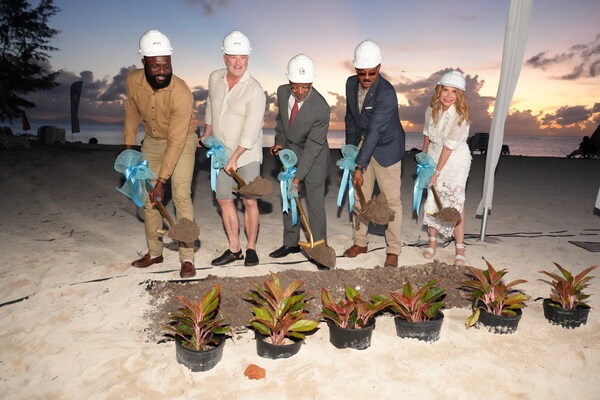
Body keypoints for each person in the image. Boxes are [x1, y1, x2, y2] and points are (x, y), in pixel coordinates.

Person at [122, 30, 198, 278]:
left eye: (167, 65)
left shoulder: (181, 92)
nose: (162, 71)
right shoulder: (132, 80)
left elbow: (176, 141)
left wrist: (161, 181)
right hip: (153, 140)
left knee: (180, 194)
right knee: (149, 199)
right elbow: (131, 112)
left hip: (183, 140)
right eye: (156, 66)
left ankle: (187, 257)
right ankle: (155, 253)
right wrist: (128, 148)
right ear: (143, 62)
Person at [201, 31, 266, 267]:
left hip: (246, 155)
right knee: (224, 200)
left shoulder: (254, 90)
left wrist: (236, 157)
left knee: (249, 201)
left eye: (243, 57)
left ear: (248, 58)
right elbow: (210, 103)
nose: (238, 62)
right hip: (220, 152)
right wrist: (208, 131)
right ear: (224, 57)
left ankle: (251, 249)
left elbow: (250, 130)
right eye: (233, 57)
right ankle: (234, 249)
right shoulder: (214, 78)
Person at [343, 40, 406, 268]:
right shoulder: (350, 84)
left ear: (379, 67)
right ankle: (360, 242)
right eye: (362, 73)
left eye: (371, 72)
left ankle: (393, 250)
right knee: (361, 196)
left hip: (387, 146)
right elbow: (350, 119)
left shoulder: (387, 93)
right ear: (355, 70)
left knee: (391, 201)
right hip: (363, 144)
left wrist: (359, 167)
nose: (366, 77)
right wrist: (351, 152)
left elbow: (376, 131)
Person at [269, 54, 331, 261]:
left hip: (315, 158)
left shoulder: (321, 108)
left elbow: (314, 146)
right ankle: (290, 243)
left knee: (314, 206)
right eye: (295, 86)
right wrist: (279, 142)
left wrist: (297, 179)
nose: (300, 92)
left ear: (312, 82)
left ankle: (319, 248)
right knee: (289, 201)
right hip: (290, 153)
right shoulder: (281, 91)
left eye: (306, 87)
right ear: (289, 81)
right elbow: (281, 121)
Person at [421, 70, 472, 266]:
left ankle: (460, 246)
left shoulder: (461, 116)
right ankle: (432, 241)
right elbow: (427, 134)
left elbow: (449, 147)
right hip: (434, 156)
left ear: (460, 95)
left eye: (454, 92)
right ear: (439, 90)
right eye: (445, 90)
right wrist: (424, 158)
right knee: (433, 198)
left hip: (455, 160)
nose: (448, 95)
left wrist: (437, 172)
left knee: (455, 202)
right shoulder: (430, 109)